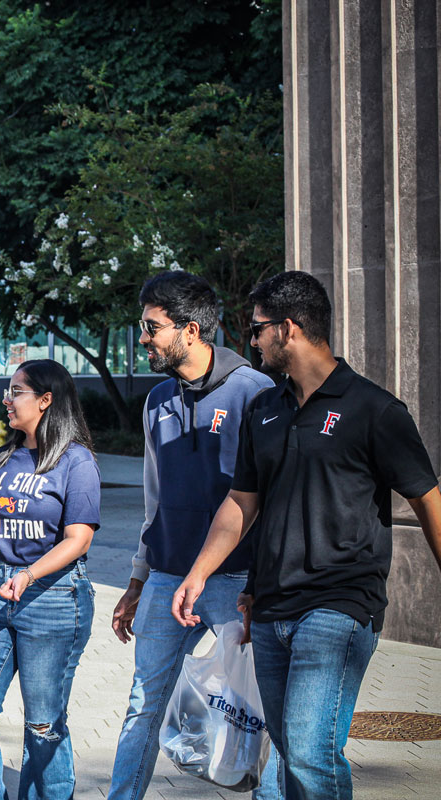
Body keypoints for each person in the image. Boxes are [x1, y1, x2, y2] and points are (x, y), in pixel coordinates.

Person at [172, 271, 441, 800]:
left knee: (311, 750)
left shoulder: (374, 410)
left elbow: (427, 499)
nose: (251, 341)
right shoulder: (265, 409)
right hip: (271, 609)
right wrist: (198, 574)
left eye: (257, 330)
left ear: (288, 329)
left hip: (340, 603)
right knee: (293, 754)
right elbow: (242, 502)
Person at [107, 271, 280, 800]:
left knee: (261, 710)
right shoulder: (157, 399)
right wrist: (137, 580)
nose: (143, 338)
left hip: (237, 581)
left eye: (151, 327)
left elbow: (272, 501)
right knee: (143, 703)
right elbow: (152, 499)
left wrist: (264, 586)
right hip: (165, 578)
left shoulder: (257, 392)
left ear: (190, 329)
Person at [0, 359, 99, 800]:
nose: (6, 399)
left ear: (46, 400)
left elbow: (79, 539)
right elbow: (6, 528)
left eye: (16, 391)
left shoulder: (76, 461)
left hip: (54, 595)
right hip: (0, 587)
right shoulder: (5, 457)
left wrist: (30, 574)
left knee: (42, 721)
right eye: (7, 390)